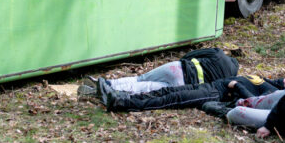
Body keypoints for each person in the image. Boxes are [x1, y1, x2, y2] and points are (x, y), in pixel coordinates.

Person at [92, 73, 285, 113]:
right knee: (168, 90)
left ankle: (122, 103)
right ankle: (121, 96)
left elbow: (252, 100)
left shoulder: (272, 91)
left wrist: (236, 87)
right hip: (213, 85)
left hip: (216, 95)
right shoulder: (267, 80)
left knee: (171, 99)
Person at [84, 48, 240, 98]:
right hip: (183, 85)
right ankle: (110, 91)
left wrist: (182, 61)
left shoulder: (218, 53)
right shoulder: (229, 78)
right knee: (147, 88)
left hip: (178, 68)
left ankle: (107, 82)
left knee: (140, 78)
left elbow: (192, 54)